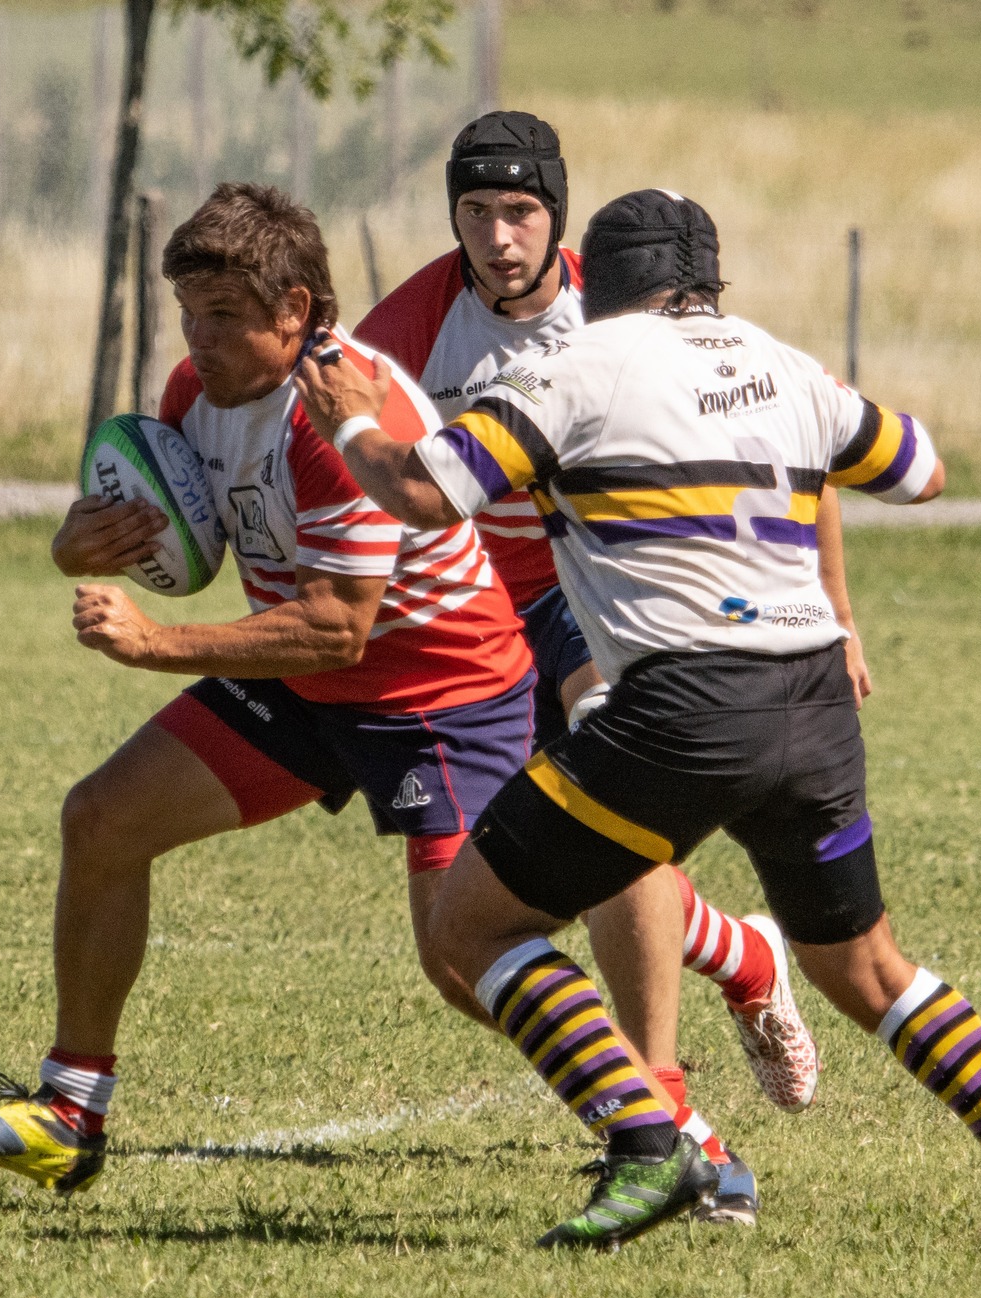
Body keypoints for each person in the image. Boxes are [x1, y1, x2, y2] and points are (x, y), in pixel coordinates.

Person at [294, 188, 981, 1250]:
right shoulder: (782, 362)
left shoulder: (579, 366)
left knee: (471, 927)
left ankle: (648, 1140)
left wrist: (348, 413)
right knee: (865, 969)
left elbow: (418, 490)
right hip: (813, 704)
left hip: (679, 706)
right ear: (707, 281)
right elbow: (920, 471)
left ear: (602, 283)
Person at [0, 182, 635, 1196]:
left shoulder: (341, 416)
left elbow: (341, 624)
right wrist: (81, 541)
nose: (195, 342)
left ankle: (657, 1125)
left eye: (221, 318)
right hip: (301, 685)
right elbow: (205, 546)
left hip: (439, 690)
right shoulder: (190, 397)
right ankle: (69, 1111)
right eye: (187, 316)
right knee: (104, 817)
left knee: (460, 951)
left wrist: (156, 642)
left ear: (294, 312)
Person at [355, 112, 834, 1220]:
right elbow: (357, 467)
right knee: (457, 945)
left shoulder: (616, 309)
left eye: (519, 210)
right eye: (475, 212)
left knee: (616, 807)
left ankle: (659, 1109)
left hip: (593, 592)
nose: (498, 236)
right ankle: (736, 954)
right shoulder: (411, 328)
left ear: (556, 216)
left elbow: (787, 431)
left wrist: (836, 613)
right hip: (466, 611)